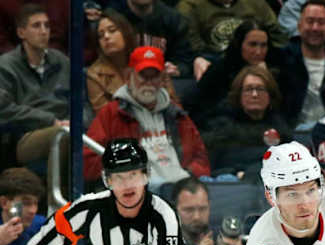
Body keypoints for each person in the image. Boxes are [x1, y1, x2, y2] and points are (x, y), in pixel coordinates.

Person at [14, 138, 212, 245]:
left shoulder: (163, 215)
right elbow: (49, 236)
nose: (127, 185)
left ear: (145, 176)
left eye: (133, 175)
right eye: (118, 177)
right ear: (107, 180)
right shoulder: (89, 210)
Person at [83, 46, 210, 191]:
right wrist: (122, 166)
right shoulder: (111, 114)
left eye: (154, 76)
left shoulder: (176, 113)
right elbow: (87, 163)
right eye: (143, 75)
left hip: (182, 189)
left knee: (226, 182)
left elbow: (200, 157)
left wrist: (191, 175)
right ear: (128, 76)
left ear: (162, 79)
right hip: (139, 191)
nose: (149, 82)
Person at [0, 3, 70, 206]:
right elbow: (4, 110)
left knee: (75, 131)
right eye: (36, 26)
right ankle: (57, 207)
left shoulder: (61, 61)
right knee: (63, 136)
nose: (44, 31)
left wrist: (78, 119)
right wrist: (50, 120)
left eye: (47, 26)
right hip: (24, 136)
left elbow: (80, 98)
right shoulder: (6, 65)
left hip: (66, 125)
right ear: (21, 32)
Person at [202, 65, 292, 181]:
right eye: (249, 89)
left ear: (269, 95)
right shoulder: (222, 126)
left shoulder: (280, 127)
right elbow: (214, 166)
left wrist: (250, 173)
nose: (254, 94)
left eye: (260, 89)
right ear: (239, 95)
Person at [192, 19, 284, 123]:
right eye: (252, 45)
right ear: (240, 44)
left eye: (263, 45)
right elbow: (201, 109)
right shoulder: (220, 70)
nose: (258, 52)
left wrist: (267, 79)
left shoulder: (277, 68)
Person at [176, 0, 288, 81]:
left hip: (258, 62)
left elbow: (279, 39)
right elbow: (192, 45)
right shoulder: (190, 6)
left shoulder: (257, 3)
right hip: (215, 65)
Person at [278, 0, 325, 129]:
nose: (315, 28)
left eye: (321, 22)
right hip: (292, 135)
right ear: (299, 25)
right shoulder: (282, 60)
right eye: (310, 21)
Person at [172, 176, 244, 245]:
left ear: (209, 206)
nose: (196, 217)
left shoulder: (222, 239)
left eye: (202, 209)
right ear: (174, 209)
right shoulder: (167, 244)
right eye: (188, 210)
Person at [87, 8, 137, 114]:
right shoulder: (95, 74)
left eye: (112, 30)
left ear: (125, 32)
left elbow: (172, 105)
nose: (106, 36)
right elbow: (104, 116)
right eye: (100, 35)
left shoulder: (147, 60)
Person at [0, 168, 45, 245]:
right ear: (4, 203)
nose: (33, 210)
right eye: (26, 203)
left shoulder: (43, 227)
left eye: (35, 203)